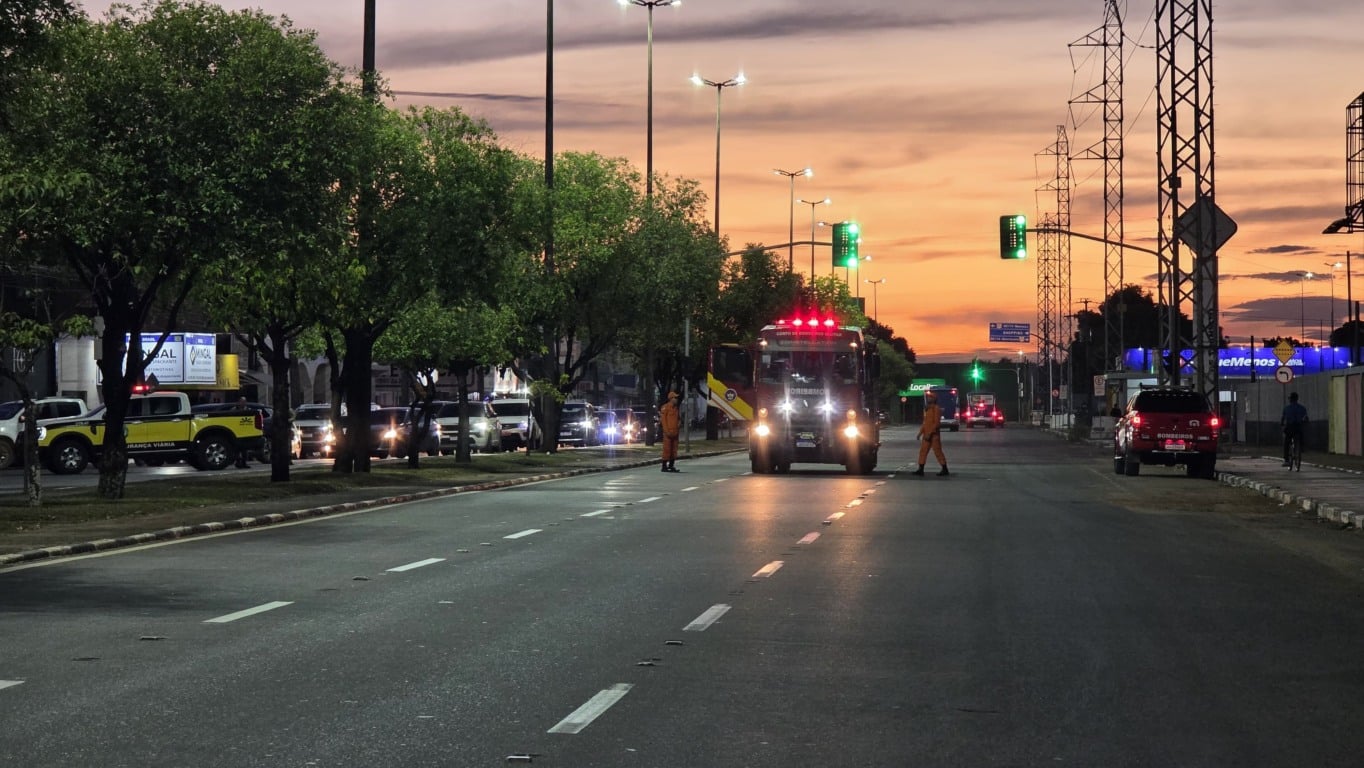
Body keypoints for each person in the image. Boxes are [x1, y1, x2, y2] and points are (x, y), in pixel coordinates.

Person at [914, 390, 949, 476]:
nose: (929, 398)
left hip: (934, 435)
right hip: (926, 435)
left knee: (938, 452)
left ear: (934, 399)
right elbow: (925, 423)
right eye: (928, 397)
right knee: (923, 451)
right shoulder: (928, 409)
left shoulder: (936, 409)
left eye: (930, 397)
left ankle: (945, 469)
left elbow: (936, 423)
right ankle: (921, 469)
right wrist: (920, 433)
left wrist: (930, 433)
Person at [1281, 391, 1308, 467]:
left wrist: (1282, 424)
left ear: (1290, 399)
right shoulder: (1302, 408)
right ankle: (1301, 448)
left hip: (1289, 427)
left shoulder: (1287, 408)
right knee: (1301, 436)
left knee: (1286, 442)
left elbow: (1283, 418)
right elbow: (1306, 418)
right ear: (1297, 399)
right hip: (1298, 427)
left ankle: (1286, 460)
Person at [659, 390, 681, 472]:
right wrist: (666, 431)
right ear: (671, 399)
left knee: (674, 450)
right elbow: (663, 421)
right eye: (675, 398)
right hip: (668, 433)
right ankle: (664, 466)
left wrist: (678, 425)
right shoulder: (665, 408)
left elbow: (678, 419)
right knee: (667, 449)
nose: (676, 399)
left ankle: (671, 466)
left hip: (675, 432)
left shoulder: (676, 409)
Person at [234, 396, 254, 468]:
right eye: (241, 401)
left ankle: (244, 462)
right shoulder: (234, 410)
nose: (242, 403)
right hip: (237, 431)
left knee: (245, 449)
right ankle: (238, 461)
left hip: (245, 432)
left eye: (244, 401)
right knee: (237, 448)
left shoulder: (249, 410)